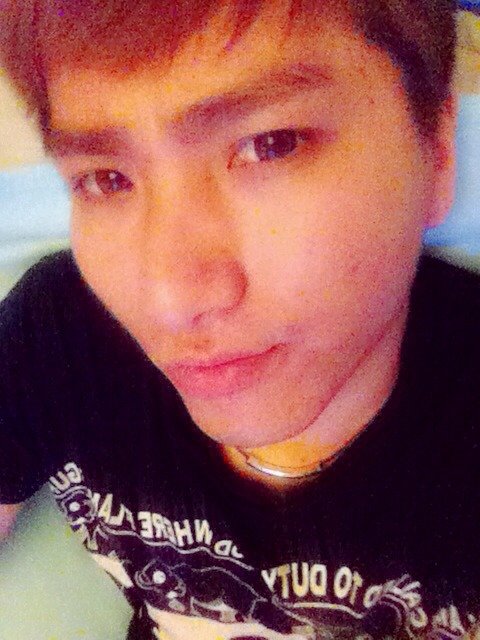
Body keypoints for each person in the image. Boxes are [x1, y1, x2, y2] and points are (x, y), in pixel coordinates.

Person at [0, 0, 478, 638]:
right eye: (105, 179)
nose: (169, 300)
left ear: (438, 149)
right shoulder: (62, 333)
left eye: (270, 146)